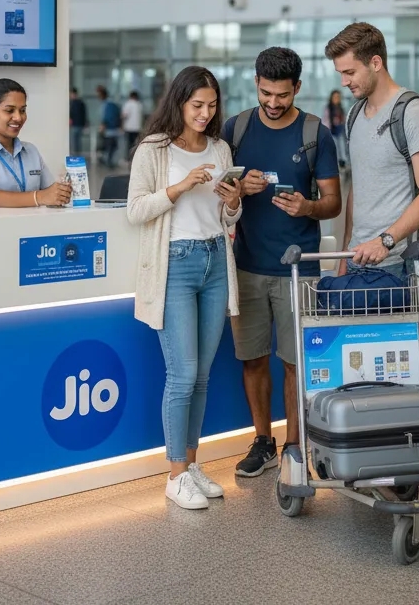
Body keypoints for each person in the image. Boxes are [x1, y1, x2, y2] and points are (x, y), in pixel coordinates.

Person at [127, 66, 243, 510]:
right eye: (197, 105)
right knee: (182, 375)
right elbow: (136, 210)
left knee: (201, 377)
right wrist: (180, 186)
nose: (205, 113)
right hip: (174, 266)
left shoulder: (220, 147)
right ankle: (175, 474)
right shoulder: (154, 150)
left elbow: (227, 219)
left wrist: (232, 203)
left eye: (211, 105)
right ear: (179, 102)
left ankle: (192, 466)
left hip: (216, 259)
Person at [222, 48, 342, 478]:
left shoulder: (315, 133)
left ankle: (294, 445)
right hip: (247, 265)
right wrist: (237, 185)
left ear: (298, 88)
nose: (273, 103)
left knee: (295, 362)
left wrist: (307, 207)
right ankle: (262, 441)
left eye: (283, 95)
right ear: (256, 82)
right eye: (266, 93)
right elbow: (218, 189)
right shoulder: (234, 128)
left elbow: (333, 203)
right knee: (252, 358)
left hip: (298, 268)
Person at [324, 22, 419, 278]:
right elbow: (359, 187)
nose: (344, 82)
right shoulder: (354, 114)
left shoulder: (414, 114)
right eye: (340, 73)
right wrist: (346, 251)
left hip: (401, 262)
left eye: (350, 72)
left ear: (375, 63)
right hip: (358, 257)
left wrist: (384, 241)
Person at [0, 78, 72, 208]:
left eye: (22, 110)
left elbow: (50, 193)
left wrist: (63, 191)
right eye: (9, 110)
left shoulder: (31, 151)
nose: (18, 117)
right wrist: (38, 197)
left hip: (32, 227)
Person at [97, 85, 122, 167]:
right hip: (114, 129)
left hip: (109, 129)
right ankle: (109, 160)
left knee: (108, 145)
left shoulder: (107, 105)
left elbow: (106, 117)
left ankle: (108, 160)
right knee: (112, 146)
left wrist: (103, 126)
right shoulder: (112, 104)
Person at [322, 89, 348, 168]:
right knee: (334, 146)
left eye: (338, 97)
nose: (336, 99)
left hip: (339, 129)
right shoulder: (328, 109)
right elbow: (325, 120)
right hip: (331, 130)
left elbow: (344, 119)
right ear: (331, 98)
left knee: (342, 145)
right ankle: (336, 162)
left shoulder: (341, 108)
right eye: (335, 97)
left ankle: (343, 161)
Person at [122, 90, 144, 159]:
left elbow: (124, 115)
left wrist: (121, 125)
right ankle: (135, 157)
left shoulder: (128, 104)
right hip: (138, 128)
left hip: (129, 128)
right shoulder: (140, 105)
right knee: (136, 144)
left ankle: (129, 158)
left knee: (129, 144)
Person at [69, 87, 88, 157]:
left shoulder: (74, 103)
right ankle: (76, 156)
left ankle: (75, 156)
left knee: (75, 142)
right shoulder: (79, 103)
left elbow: (83, 114)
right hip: (76, 125)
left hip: (76, 125)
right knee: (76, 142)